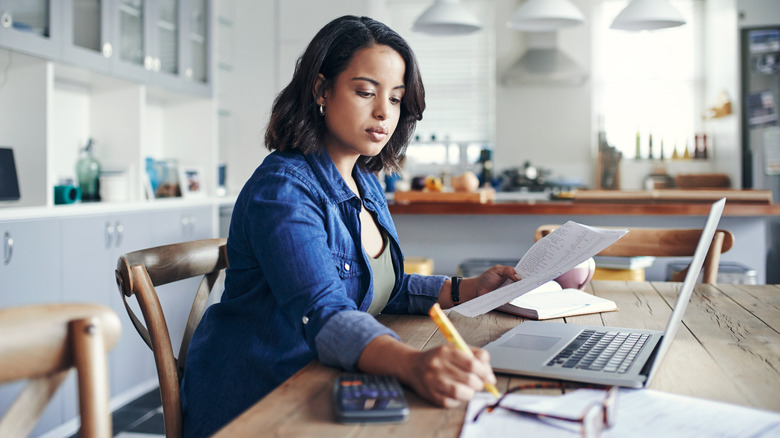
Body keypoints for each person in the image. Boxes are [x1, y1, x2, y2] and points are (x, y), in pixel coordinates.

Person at [180, 15, 519, 436]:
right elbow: (325, 311)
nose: (383, 112)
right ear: (321, 89)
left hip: (325, 382)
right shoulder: (283, 189)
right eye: (365, 92)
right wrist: (413, 363)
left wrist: (467, 289)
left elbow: (381, 286)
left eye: (395, 99)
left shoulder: (365, 181)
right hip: (262, 400)